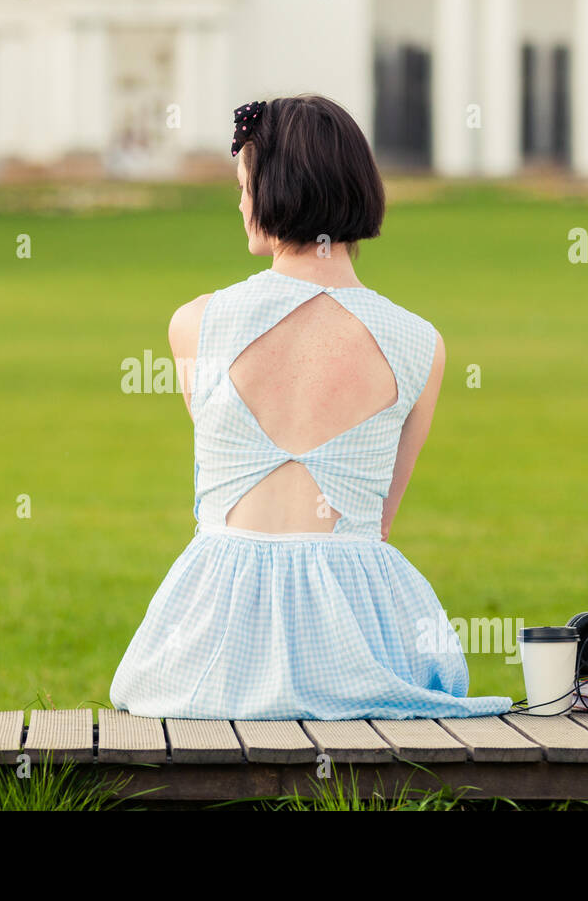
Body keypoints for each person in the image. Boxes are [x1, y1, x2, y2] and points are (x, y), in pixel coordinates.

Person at [109, 95, 513, 720]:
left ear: (272, 190)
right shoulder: (420, 343)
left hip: (209, 650)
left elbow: (224, 486)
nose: (241, 203)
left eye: (245, 185)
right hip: (358, 645)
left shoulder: (195, 325)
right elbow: (375, 523)